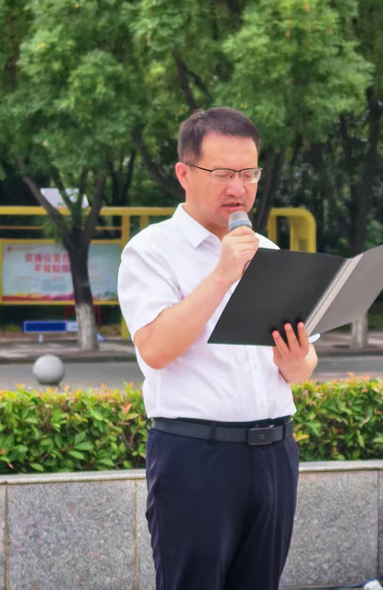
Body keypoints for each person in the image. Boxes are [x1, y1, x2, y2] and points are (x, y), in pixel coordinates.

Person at [118, 107, 318, 590]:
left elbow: (302, 367)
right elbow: (156, 349)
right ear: (184, 173)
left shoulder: (269, 252)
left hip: (274, 452)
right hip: (196, 457)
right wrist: (223, 274)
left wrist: (297, 361)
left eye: (249, 174)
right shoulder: (151, 250)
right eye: (224, 174)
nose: (239, 188)